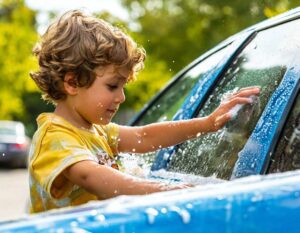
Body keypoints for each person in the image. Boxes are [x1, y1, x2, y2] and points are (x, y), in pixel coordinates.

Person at [28, 10, 260, 213]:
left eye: (123, 87)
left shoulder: (96, 130)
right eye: (112, 86)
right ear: (72, 82)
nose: (121, 97)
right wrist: (163, 191)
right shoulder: (54, 136)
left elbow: (144, 137)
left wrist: (207, 123)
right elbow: (90, 176)